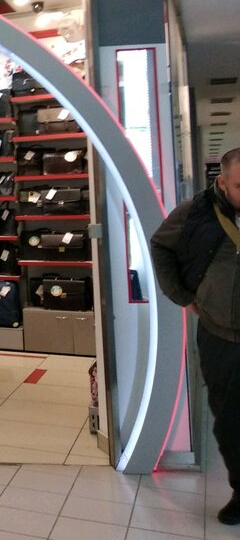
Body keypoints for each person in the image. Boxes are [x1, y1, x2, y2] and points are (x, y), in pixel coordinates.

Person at [151, 147, 240, 525]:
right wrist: (183, 296)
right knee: (230, 420)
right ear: (223, 182)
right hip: (222, 335)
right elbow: (160, 245)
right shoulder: (196, 213)